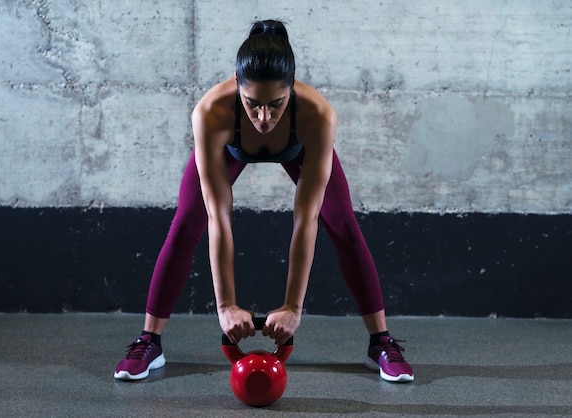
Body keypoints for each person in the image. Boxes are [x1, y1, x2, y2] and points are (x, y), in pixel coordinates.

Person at [114, 19, 414, 383]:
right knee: (187, 220)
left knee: (343, 222)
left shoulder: (317, 116)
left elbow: (306, 219)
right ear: (237, 87)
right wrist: (225, 306)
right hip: (230, 148)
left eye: (276, 105)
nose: (264, 118)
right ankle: (149, 341)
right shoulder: (211, 113)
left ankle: (381, 342)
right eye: (252, 104)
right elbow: (218, 217)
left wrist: (293, 307)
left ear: (292, 89)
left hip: (297, 148)